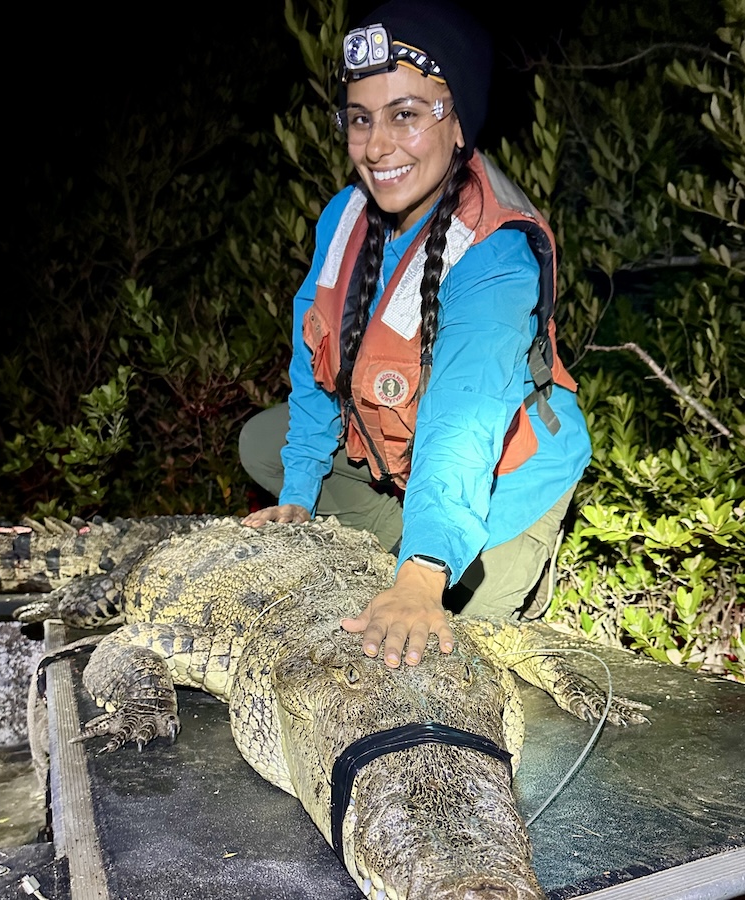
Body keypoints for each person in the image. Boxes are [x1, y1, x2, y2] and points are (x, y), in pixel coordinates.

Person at [239, 0, 591, 669]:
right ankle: (411, 533)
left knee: (459, 651)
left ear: (458, 124)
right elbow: (311, 366)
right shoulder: (344, 218)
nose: (376, 146)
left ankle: (450, 548)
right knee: (264, 443)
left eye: (406, 115)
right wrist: (296, 498)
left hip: (506, 473)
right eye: (361, 119)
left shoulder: (494, 254)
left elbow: (461, 429)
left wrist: (421, 579)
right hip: (401, 452)